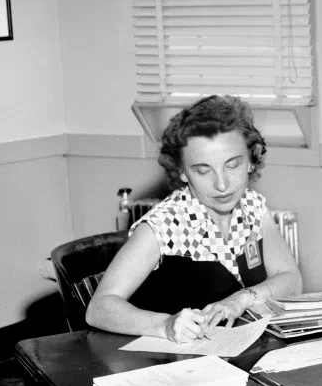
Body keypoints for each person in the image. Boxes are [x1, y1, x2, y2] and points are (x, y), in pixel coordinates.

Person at [86, 95, 302, 342]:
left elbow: (291, 279)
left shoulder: (254, 208)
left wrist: (242, 299)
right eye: (203, 170)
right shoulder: (164, 225)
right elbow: (99, 308)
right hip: (177, 367)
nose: (222, 184)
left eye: (232, 165)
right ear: (182, 172)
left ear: (251, 161)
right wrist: (165, 325)